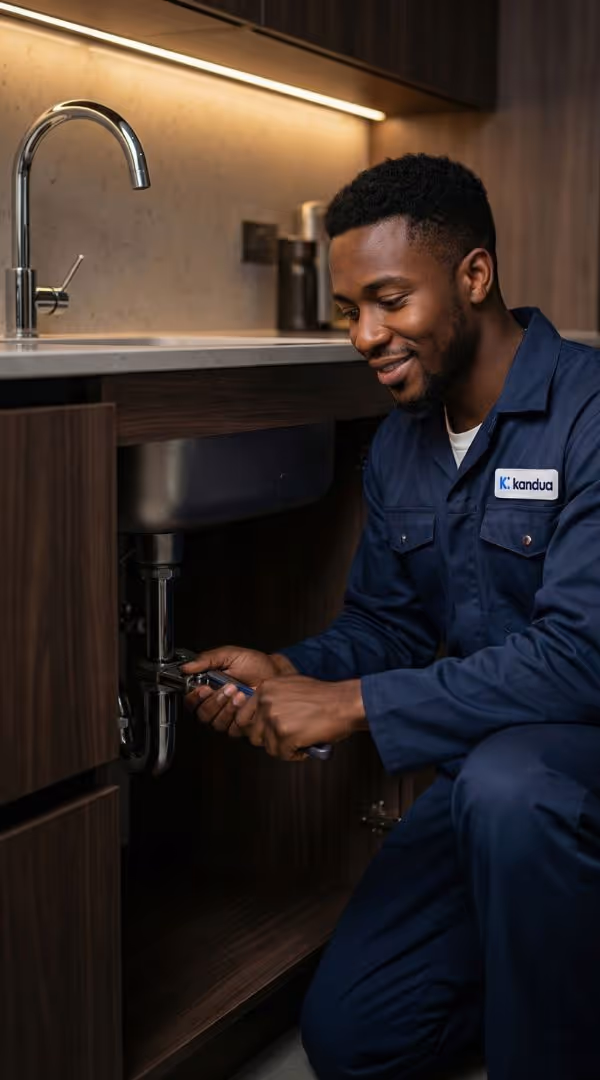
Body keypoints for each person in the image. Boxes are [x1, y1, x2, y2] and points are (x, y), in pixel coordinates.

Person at [183, 154, 600, 1080]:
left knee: (508, 784)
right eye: (349, 312)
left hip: (564, 760)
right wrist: (292, 671)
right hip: (484, 776)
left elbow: (582, 660)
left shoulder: (590, 413)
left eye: (389, 300)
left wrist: (351, 706)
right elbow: (391, 623)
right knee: (356, 1034)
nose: (366, 336)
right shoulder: (401, 446)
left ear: (475, 276)